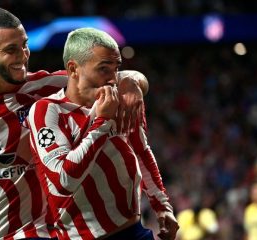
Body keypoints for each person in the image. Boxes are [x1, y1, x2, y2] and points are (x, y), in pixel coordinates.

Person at [0, 8, 149, 240]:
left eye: (24, 45)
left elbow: (122, 76)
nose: (23, 56)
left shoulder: (45, 86)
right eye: (11, 49)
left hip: (44, 231)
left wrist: (132, 84)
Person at [28, 27, 178, 240]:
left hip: (134, 231)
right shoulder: (47, 111)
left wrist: (162, 206)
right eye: (103, 69)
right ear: (73, 69)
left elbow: (141, 151)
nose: (112, 78)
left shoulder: (122, 100)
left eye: (116, 68)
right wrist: (102, 122)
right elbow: (64, 181)